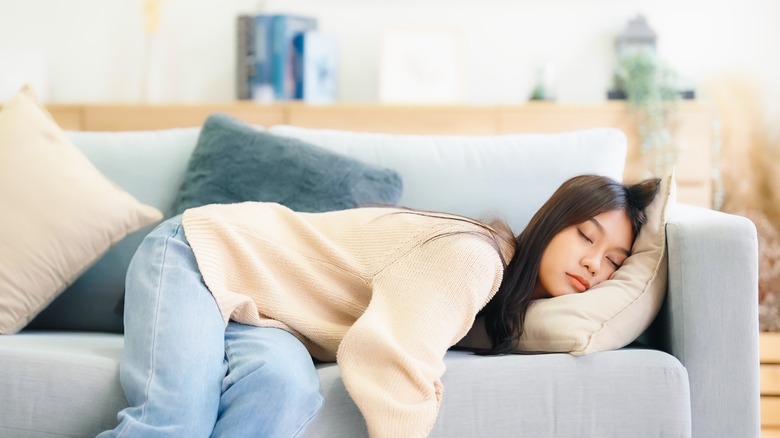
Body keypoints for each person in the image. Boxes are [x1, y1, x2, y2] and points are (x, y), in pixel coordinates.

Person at [98, 173, 659, 438]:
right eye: (585, 236)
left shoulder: (506, 302)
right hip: (200, 253)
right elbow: (387, 356)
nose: (595, 264)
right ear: (551, 223)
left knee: (283, 391)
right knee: (174, 425)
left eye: (615, 261)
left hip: (267, 316)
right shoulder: (476, 258)